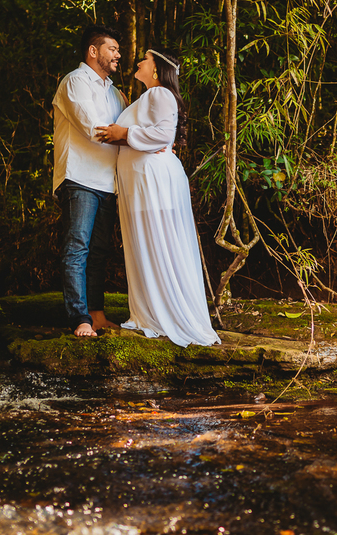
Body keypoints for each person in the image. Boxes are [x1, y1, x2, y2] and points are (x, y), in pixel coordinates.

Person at [95, 48, 220, 347]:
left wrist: (122, 133)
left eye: (145, 60)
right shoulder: (150, 96)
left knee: (158, 241)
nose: (138, 62)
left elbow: (163, 136)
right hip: (144, 180)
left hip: (151, 182)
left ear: (156, 70)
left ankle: (164, 313)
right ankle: (153, 311)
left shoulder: (159, 94)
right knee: (151, 243)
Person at [52, 25, 126, 337]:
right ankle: (79, 319)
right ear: (93, 51)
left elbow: (124, 131)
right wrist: (136, 137)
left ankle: (96, 314)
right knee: (77, 247)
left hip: (107, 182)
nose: (118, 55)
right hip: (80, 177)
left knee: (99, 251)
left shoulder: (115, 93)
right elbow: (93, 128)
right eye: (112, 49)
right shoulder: (74, 82)